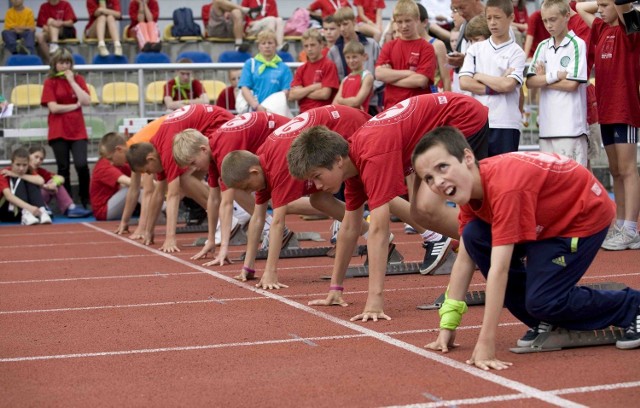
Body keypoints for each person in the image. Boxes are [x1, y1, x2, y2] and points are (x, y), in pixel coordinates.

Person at [418, 127, 640, 368]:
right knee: (474, 235)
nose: (437, 181)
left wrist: (486, 342)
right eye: (428, 177)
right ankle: (548, 317)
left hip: (581, 215)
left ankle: (632, 306)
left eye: (442, 167)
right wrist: (447, 326)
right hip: (543, 218)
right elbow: (466, 258)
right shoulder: (470, 190)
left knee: (543, 302)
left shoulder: (505, 188)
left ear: (468, 158)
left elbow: (499, 270)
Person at [287, 92, 488, 321]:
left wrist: (374, 301)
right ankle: (485, 241)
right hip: (432, 132)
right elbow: (350, 227)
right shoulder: (354, 168)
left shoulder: (372, 155)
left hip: (463, 118)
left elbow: (379, 230)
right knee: (420, 212)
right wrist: (335, 289)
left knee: (428, 208)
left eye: (318, 176)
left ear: (337, 161)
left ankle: (489, 243)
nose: (318, 185)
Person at [221, 105, 371, 289]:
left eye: (246, 187)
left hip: (347, 123)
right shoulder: (261, 166)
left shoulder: (277, 167)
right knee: (319, 199)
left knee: (373, 187)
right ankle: (373, 233)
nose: (249, 192)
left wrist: (270, 272)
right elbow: (258, 218)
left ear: (253, 172)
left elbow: (277, 222)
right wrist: (248, 267)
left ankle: (392, 230)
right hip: (328, 127)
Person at [172, 111, 291, 265]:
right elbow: (214, 199)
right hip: (278, 137)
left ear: (203, 149)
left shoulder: (223, 149)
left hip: (287, 136)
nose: (194, 168)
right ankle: (273, 227)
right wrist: (211, 239)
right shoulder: (213, 149)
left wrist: (224, 248)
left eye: (193, 163)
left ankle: (275, 229)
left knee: (285, 197)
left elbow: (226, 203)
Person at [125, 104, 234, 252]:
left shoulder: (167, 150)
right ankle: (228, 216)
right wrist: (148, 231)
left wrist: (170, 237)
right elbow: (159, 193)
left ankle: (230, 219)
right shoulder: (157, 145)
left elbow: (173, 195)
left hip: (220, 123)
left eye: (147, 171)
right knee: (187, 178)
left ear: (150, 159)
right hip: (212, 122)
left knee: (183, 180)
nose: (150, 175)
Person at [577, 0, 640, 250]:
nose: (599, 9)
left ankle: (632, 229)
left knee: (627, 169)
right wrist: (605, 3)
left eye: (604, 5)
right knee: (615, 170)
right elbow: (580, 7)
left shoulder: (632, 28)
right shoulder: (601, 28)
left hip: (625, 108)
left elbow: (624, 6)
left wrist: (615, 3)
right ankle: (621, 223)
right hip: (606, 109)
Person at [459, 0, 526, 157]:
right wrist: (496, 86)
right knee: (478, 173)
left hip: (506, 123)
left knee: (503, 175)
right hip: (478, 121)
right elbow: (464, 82)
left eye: (497, 17)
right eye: (489, 18)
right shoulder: (475, 49)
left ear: (510, 18)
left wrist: (478, 75)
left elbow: (508, 85)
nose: (493, 23)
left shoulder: (516, 52)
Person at [526, 0, 588, 167]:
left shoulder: (577, 44)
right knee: (551, 184)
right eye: (545, 21)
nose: (548, 25)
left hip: (571, 128)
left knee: (574, 182)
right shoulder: (542, 46)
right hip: (546, 128)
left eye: (552, 19)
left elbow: (571, 85)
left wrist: (544, 79)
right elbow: (531, 82)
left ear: (567, 15)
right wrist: (555, 76)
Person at [41, 47, 92, 209]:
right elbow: (53, 108)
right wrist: (73, 106)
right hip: (58, 130)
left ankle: (86, 199)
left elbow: (86, 101)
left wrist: (72, 82)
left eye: (67, 62)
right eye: (61, 63)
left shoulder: (78, 79)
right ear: (54, 64)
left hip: (78, 130)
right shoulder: (50, 82)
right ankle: (67, 202)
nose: (64, 66)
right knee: (63, 168)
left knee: (82, 164)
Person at [375, 0, 436, 110]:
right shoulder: (389, 46)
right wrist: (409, 73)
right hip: (391, 108)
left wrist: (390, 77)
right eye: (399, 22)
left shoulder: (426, 47)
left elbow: (420, 80)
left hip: (417, 108)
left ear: (417, 20)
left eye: (408, 21)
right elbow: (379, 74)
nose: (403, 26)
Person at [327, 6, 382, 116]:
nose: (342, 29)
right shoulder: (333, 51)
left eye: (345, 24)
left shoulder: (372, 45)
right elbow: (335, 81)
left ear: (354, 21)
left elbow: (381, 72)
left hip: (371, 102)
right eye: (338, 25)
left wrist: (368, 89)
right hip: (345, 103)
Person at [237, 29, 293, 116]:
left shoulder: (284, 68)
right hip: (254, 111)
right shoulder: (250, 64)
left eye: (270, 43)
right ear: (258, 46)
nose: (267, 46)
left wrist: (270, 107)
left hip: (275, 112)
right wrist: (257, 106)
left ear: (276, 45)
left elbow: (286, 92)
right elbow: (244, 88)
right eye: (263, 43)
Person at [28, 146, 91, 218]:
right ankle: (42, 208)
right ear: (28, 156)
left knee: (54, 181)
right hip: (28, 201)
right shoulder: (21, 169)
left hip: (40, 199)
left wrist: (54, 184)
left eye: (41, 159)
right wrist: (45, 186)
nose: (38, 160)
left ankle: (69, 207)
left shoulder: (41, 171)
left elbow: (61, 178)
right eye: (36, 157)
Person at [288, 28, 340, 113]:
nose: (309, 49)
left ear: (321, 45)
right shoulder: (301, 69)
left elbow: (324, 94)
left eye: (312, 45)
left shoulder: (328, 65)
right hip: (303, 115)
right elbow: (292, 95)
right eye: (306, 46)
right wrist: (314, 87)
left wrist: (302, 92)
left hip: (322, 113)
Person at [0, 148, 51, 225]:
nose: (21, 168)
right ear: (12, 163)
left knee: (30, 179)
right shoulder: (4, 173)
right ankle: (26, 213)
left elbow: (41, 181)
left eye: (24, 165)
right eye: (18, 164)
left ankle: (42, 211)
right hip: (6, 211)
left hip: (22, 210)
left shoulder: (29, 171)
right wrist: (29, 207)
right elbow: (8, 196)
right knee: (19, 179)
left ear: (28, 164)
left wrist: (18, 175)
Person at [90, 132, 132, 221]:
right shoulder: (103, 167)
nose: (127, 157)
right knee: (133, 188)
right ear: (119, 150)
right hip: (103, 212)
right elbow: (131, 182)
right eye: (126, 152)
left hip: (112, 205)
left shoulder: (120, 165)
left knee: (139, 185)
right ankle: (164, 209)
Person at [416, 3, 451, 92]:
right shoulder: (403, 43)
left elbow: (446, 79)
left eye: (414, 21)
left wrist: (447, 103)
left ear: (425, 22)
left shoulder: (437, 45)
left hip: (430, 94)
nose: (408, 25)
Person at [332, 40, 373, 111]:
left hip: (359, 119)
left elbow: (356, 102)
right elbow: (334, 104)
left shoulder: (367, 76)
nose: (351, 61)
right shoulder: (345, 79)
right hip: (344, 117)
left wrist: (341, 100)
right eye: (348, 57)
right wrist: (346, 102)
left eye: (354, 57)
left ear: (364, 56)